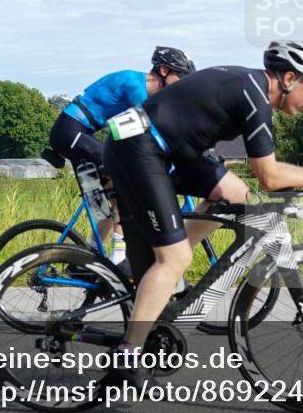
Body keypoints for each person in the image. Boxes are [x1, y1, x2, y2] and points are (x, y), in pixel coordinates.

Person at [102, 40, 303, 378]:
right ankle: (128, 355)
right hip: (136, 147)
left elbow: (251, 170)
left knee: (237, 195)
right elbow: (270, 176)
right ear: (288, 79)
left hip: (165, 148)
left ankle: (166, 277)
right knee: (176, 257)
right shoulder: (254, 95)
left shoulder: (252, 91)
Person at [48, 47, 195, 262]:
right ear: (164, 71)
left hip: (82, 132)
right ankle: (119, 255)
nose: (183, 83)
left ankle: (89, 256)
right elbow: (151, 129)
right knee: (125, 181)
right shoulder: (136, 87)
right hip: (69, 131)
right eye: (180, 76)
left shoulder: (149, 91)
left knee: (110, 199)